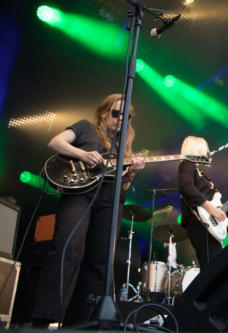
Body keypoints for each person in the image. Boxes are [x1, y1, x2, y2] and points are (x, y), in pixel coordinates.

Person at [31, 94, 145, 327]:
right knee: (68, 248)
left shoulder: (123, 148)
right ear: (103, 113)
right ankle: (43, 320)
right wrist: (82, 154)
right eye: (116, 113)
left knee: (100, 260)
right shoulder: (85, 128)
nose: (121, 119)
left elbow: (124, 185)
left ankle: (79, 323)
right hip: (79, 195)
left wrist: (132, 172)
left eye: (127, 116)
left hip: (109, 200)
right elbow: (55, 143)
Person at [178, 136, 228, 268]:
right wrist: (210, 209)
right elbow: (186, 186)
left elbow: (217, 207)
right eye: (203, 149)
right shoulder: (187, 164)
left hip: (209, 225)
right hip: (199, 223)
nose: (206, 152)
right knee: (212, 267)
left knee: (215, 266)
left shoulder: (201, 174)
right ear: (196, 148)